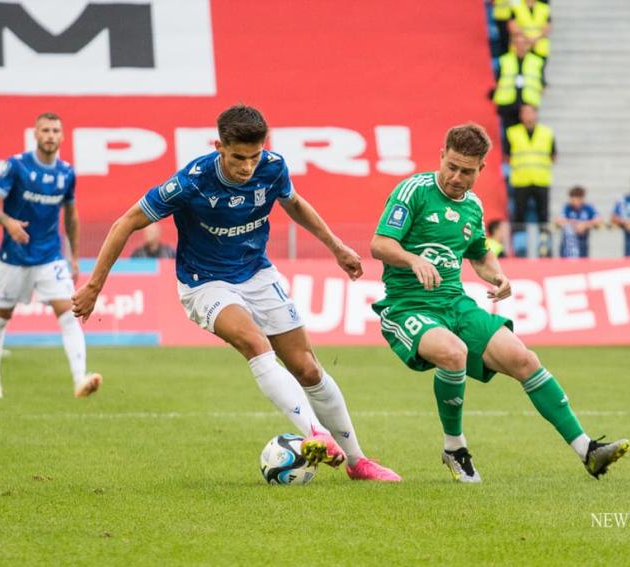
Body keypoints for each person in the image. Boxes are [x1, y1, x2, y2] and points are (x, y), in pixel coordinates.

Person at [72, 104, 400, 482]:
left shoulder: (273, 167)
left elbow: (293, 203)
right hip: (204, 281)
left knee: (307, 367)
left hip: (256, 273)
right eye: (238, 158)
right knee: (254, 342)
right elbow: (126, 222)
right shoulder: (192, 182)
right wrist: (95, 284)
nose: (247, 167)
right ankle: (316, 434)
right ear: (219, 146)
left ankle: (358, 462)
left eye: (254, 157)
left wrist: (337, 246)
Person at [369, 123, 629, 483]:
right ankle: (454, 448)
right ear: (441, 156)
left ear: (482, 170)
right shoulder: (413, 190)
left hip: (455, 303)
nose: (457, 177)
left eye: (467, 171)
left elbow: (480, 254)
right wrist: (414, 260)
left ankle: (588, 450)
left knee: (524, 359)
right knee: (453, 353)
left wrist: (498, 275)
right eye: (452, 166)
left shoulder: (473, 207)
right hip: (408, 305)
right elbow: (380, 244)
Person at [0, 112, 102, 400]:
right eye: (45, 130)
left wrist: (73, 257)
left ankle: (80, 379)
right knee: (1, 317)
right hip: (14, 257)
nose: (50, 135)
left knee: (69, 313)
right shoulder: (17, 166)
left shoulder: (66, 173)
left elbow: (71, 215)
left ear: (62, 137)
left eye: (55, 131)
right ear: (35, 135)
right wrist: (8, 222)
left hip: (50, 257)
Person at [504, 104, 555, 255]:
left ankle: (544, 248)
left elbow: (553, 155)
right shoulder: (512, 133)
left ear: (536, 114)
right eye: (524, 112)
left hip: (541, 180)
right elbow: (507, 156)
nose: (527, 116)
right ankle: (520, 248)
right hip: (521, 180)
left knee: (543, 216)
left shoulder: (547, 133)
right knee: (519, 216)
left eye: (530, 112)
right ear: (520, 116)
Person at [492, 34, 545, 132]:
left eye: (523, 43)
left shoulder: (537, 61)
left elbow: (541, 82)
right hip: (508, 104)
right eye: (517, 43)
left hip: (528, 104)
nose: (520, 46)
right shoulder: (504, 60)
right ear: (512, 45)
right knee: (510, 135)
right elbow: (496, 81)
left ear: (528, 45)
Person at [555, 185, 602, 258]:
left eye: (575, 200)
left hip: (582, 244)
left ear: (581, 199)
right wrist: (574, 225)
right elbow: (558, 220)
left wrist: (585, 225)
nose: (572, 202)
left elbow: (599, 220)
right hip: (567, 247)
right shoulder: (567, 207)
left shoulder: (588, 208)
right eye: (571, 199)